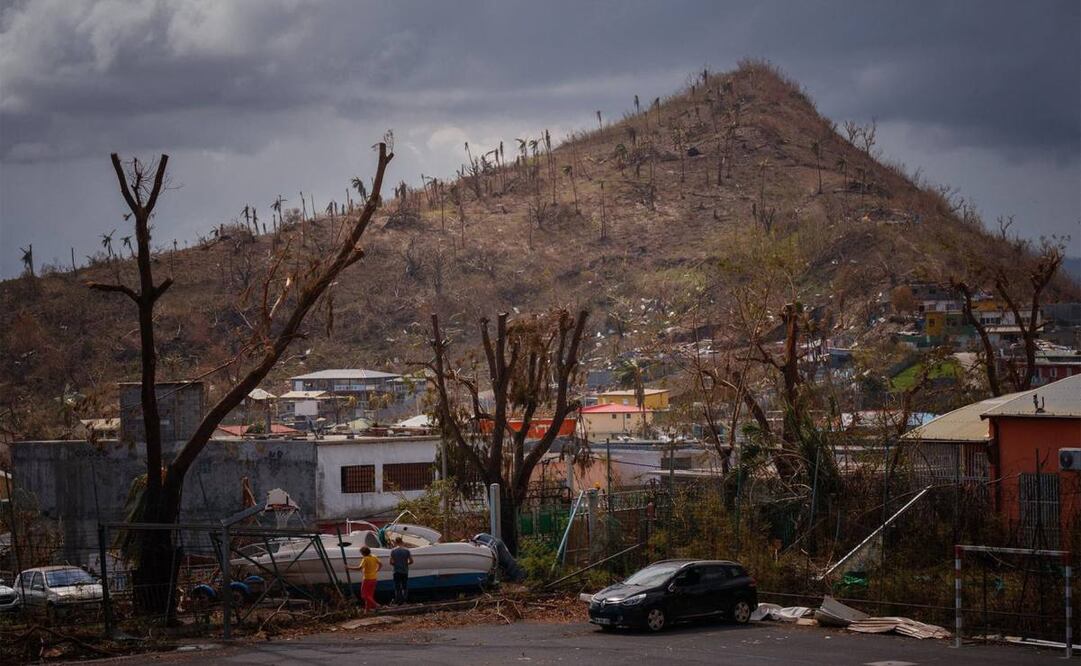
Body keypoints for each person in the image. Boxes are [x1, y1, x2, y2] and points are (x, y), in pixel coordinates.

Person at [347, 545, 381, 611]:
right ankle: (367, 610)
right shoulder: (374, 557)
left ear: (363, 553)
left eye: (361, 553)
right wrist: (377, 570)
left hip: (367, 579)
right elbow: (381, 564)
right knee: (369, 596)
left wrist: (348, 568)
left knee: (364, 595)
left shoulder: (365, 559)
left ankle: (376, 605)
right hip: (374, 579)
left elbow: (359, 568)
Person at [389, 536, 414, 604]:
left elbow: (390, 562)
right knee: (404, 586)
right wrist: (406, 564)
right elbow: (411, 561)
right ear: (402, 541)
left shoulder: (393, 551)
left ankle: (398, 600)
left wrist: (395, 564)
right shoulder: (407, 550)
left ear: (396, 542)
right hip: (404, 571)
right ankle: (404, 600)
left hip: (396, 571)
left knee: (397, 586)